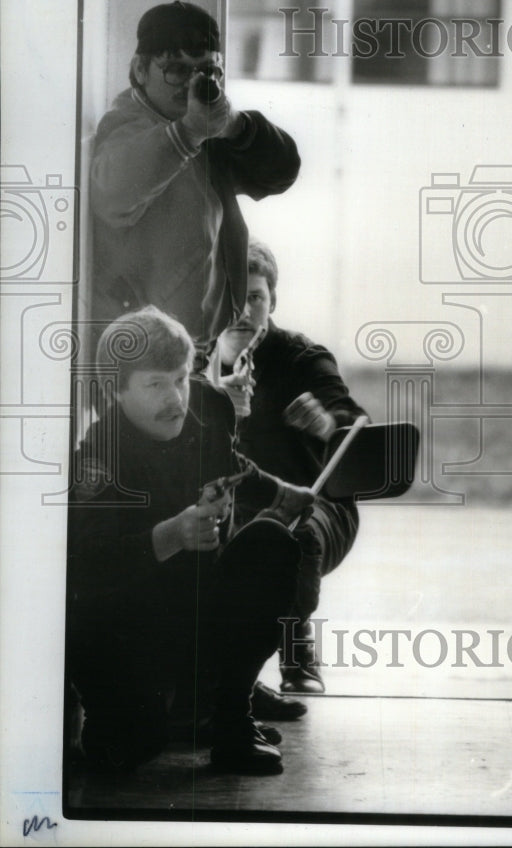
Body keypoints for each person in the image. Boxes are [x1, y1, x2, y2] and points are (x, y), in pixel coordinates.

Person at [67, 306, 315, 775]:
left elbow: (233, 462)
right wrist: (172, 534)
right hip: (130, 628)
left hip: (199, 603)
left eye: (180, 379)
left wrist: (285, 493)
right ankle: (173, 711)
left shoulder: (207, 407)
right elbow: (83, 570)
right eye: (155, 384)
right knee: (127, 750)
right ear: (117, 391)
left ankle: (230, 720)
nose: (176, 398)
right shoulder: (98, 456)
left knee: (270, 541)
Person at [89, 0, 301, 359]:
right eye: (175, 69)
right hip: (142, 353)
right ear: (140, 69)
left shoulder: (203, 129)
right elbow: (113, 195)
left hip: (189, 349)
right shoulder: (127, 126)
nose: (191, 84)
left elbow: (283, 171)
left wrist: (236, 125)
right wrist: (188, 132)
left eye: (205, 71)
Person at [214, 241, 367, 712]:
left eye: (256, 298)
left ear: (273, 301)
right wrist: (216, 394)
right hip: (237, 505)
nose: (245, 312)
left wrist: (324, 422)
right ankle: (221, 681)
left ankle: (294, 641)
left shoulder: (303, 356)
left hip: (319, 509)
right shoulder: (197, 362)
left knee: (290, 531)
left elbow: (352, 418)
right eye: (236, 300)